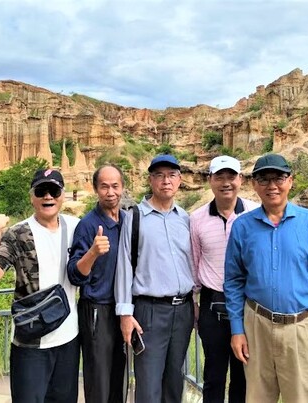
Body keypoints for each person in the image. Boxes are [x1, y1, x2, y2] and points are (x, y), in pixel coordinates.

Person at [224, 153, 308, 403]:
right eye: (264, 179)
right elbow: (234, 281)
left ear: (290, 181)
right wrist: (237, 329)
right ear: (254, 185)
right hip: (256, 327)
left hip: (300, 329)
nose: (272, 185)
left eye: (278, 178)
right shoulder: (242, 227)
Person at [0, 168, 80, 403]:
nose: (48, 196)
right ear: (31, 197)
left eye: (54, 190)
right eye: (41, 191)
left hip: (68, 339)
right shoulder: (18, 234)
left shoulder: (77, 227)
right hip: (30, 343)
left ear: (62, 195)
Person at [115, 154, 195, 403]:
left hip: (183, 311)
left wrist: (195, 303)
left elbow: (192, 263)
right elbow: (124, 266)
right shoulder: (135, 217)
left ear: (180, 180)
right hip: (149, 312)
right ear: (151, 180)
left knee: (174, 381)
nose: (166, 181)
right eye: (159, 175)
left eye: (171, 175)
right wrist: (125, 313)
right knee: (149, 385)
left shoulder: (184, 218)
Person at [190, 155, 259, 403]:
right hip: (213, 305)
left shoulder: (255, 213)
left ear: (241, 179)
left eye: (231, 176)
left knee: (243, 375)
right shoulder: (197, 219)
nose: (226, 182)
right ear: (210, 180)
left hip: (248, 304)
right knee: (214, 375)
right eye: (220, 177)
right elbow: (194, 262)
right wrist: (193, 301)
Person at [67, 164, 127, 403]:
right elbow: (74, 274)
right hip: (97, 311)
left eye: (115, 186)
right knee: (99, 381)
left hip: (123, 310)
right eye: (104, 187)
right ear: (95, 189)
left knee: (119, 378)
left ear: (123, 187)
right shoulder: (88, 225)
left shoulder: (127, 221)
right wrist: (92, 252)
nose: (110, 192)